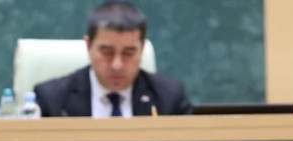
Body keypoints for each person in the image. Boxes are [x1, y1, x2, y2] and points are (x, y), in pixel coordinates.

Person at [34, 1, 192, 118]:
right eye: (107, 52)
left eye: (128, 53)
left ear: (142, 49)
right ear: (89, 46)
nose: (117, 65)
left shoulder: (170, 98)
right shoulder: (52, 99)